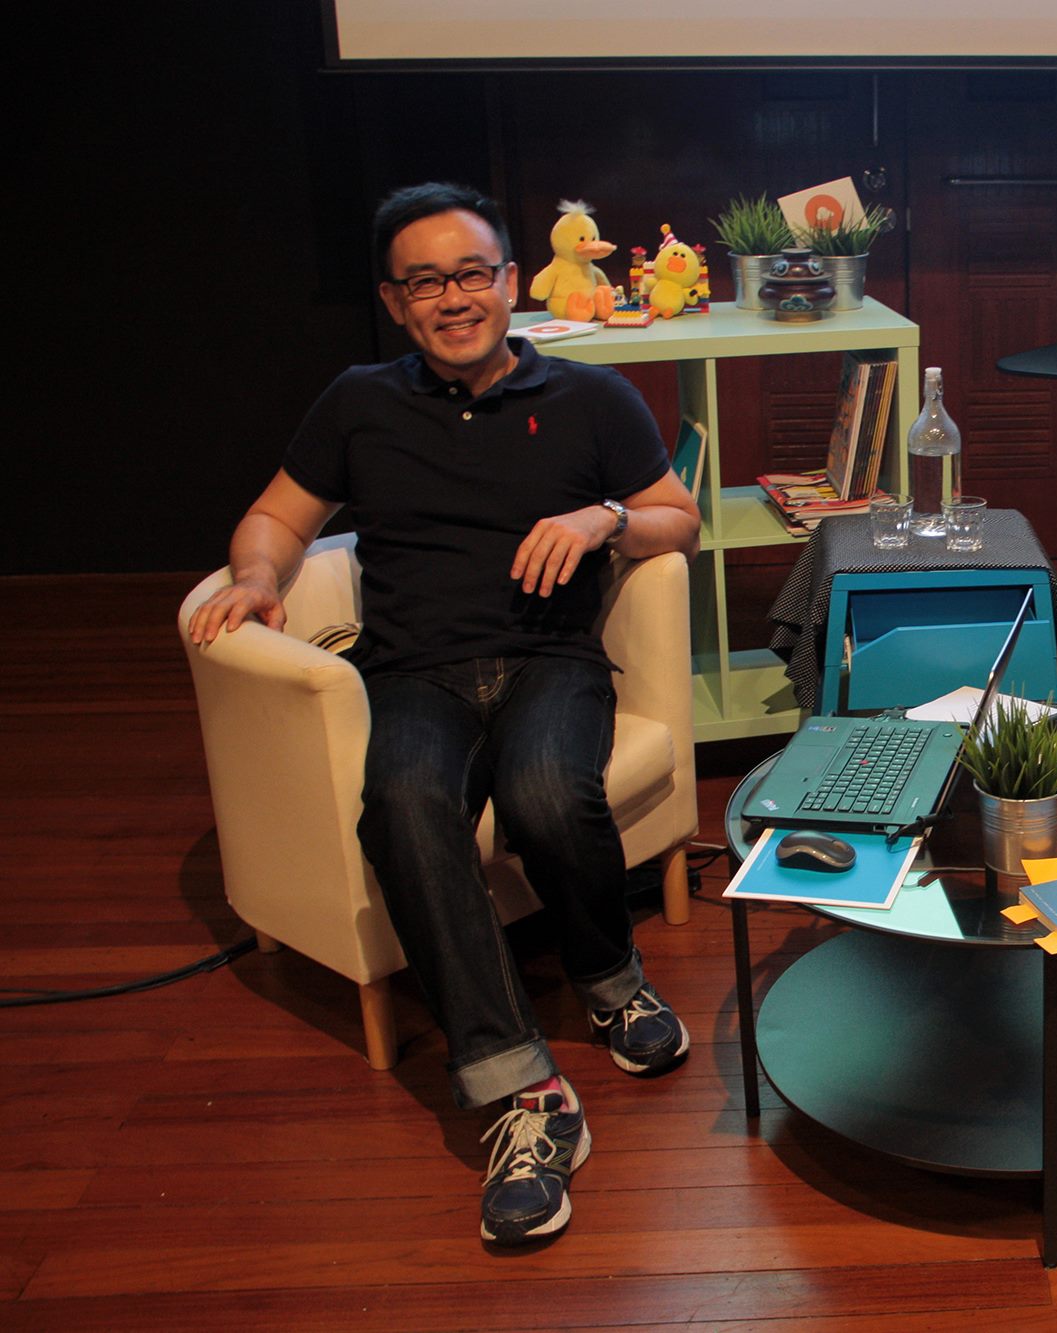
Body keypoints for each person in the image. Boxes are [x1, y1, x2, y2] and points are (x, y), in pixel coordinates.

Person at [189, 182, 703, 1244]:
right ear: (395, 300)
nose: (453, 298)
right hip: (413, 670)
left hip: (549, 656)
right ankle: (521, 1093)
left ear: (511, 281)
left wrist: (603, 515)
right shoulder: (357, 401)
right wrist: (253, 574)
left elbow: (678, 520)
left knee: (546, 794)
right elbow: (276, 519)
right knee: (405, 804)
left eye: (472, 274)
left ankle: (609, 976)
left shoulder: (589, 398)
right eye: (425, 282)